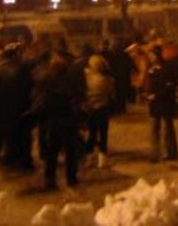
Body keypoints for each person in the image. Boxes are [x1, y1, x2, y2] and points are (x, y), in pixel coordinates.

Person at [30, 51, 83, 190]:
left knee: (52, 151)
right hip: (68, 119)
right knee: (70, 150)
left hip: (53, 120)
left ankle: (50, 178)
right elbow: (76, 99)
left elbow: (41, 99)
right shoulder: (69, 82)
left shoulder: (46, 82)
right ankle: (71, 177)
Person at [146, 47, 178, 162]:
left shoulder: (167, 68)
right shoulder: (151, 69)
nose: (150, 58)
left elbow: (169, 86)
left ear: (157, 56)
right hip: (155, 104)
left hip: (165, 103)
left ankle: (171, 153)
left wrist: (156, 95)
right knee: (154, 129)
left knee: (168, 129)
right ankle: (154, 154)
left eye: (152, 55)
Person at [84, 54, 115, 168]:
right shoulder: (109, 80)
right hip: (103, 108)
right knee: (103, 134)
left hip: (91, 109)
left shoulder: (88, 79)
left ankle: (89, 158)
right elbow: (112, 95)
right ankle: (102, 160)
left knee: (91, 134)